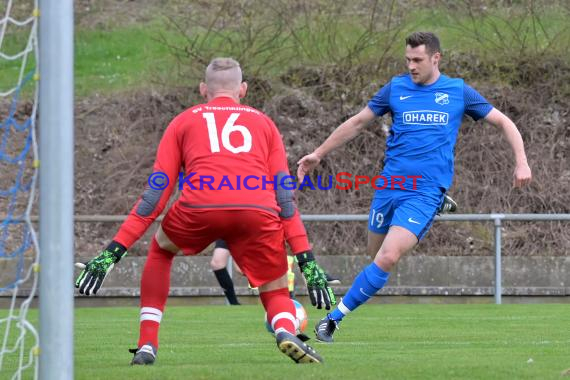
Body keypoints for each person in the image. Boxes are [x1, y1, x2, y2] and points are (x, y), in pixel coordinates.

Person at [75, 58, 336, 364]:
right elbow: (284, 198)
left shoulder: (183, 122)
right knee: (276, 283)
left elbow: (155, 195)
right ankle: (283, 327)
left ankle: (147, 344)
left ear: (203, 89)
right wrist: (307, 261)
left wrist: (112, 252)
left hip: (200, 207)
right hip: (256, 209)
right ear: (243, 89)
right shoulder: (265, 123)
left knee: (161, 250)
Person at [296, 32, 532, 343]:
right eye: (408, 59)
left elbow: (504, 122)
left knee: (389, 256)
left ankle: (333, 320)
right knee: (375, 254)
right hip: (390, 186)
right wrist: (319, 153)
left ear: (436, 58)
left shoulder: (458, 91)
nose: (411, 65)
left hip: (423, 191)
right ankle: (439, 204)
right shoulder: (395, 88)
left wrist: (521, 161)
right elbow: (357, 122)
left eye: (418, 60)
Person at [211, 238, 342, 304]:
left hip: (251, 217)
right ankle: (234, 304)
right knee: (219, 263)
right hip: (230, 222)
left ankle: (313, 272)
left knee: (287, 238)